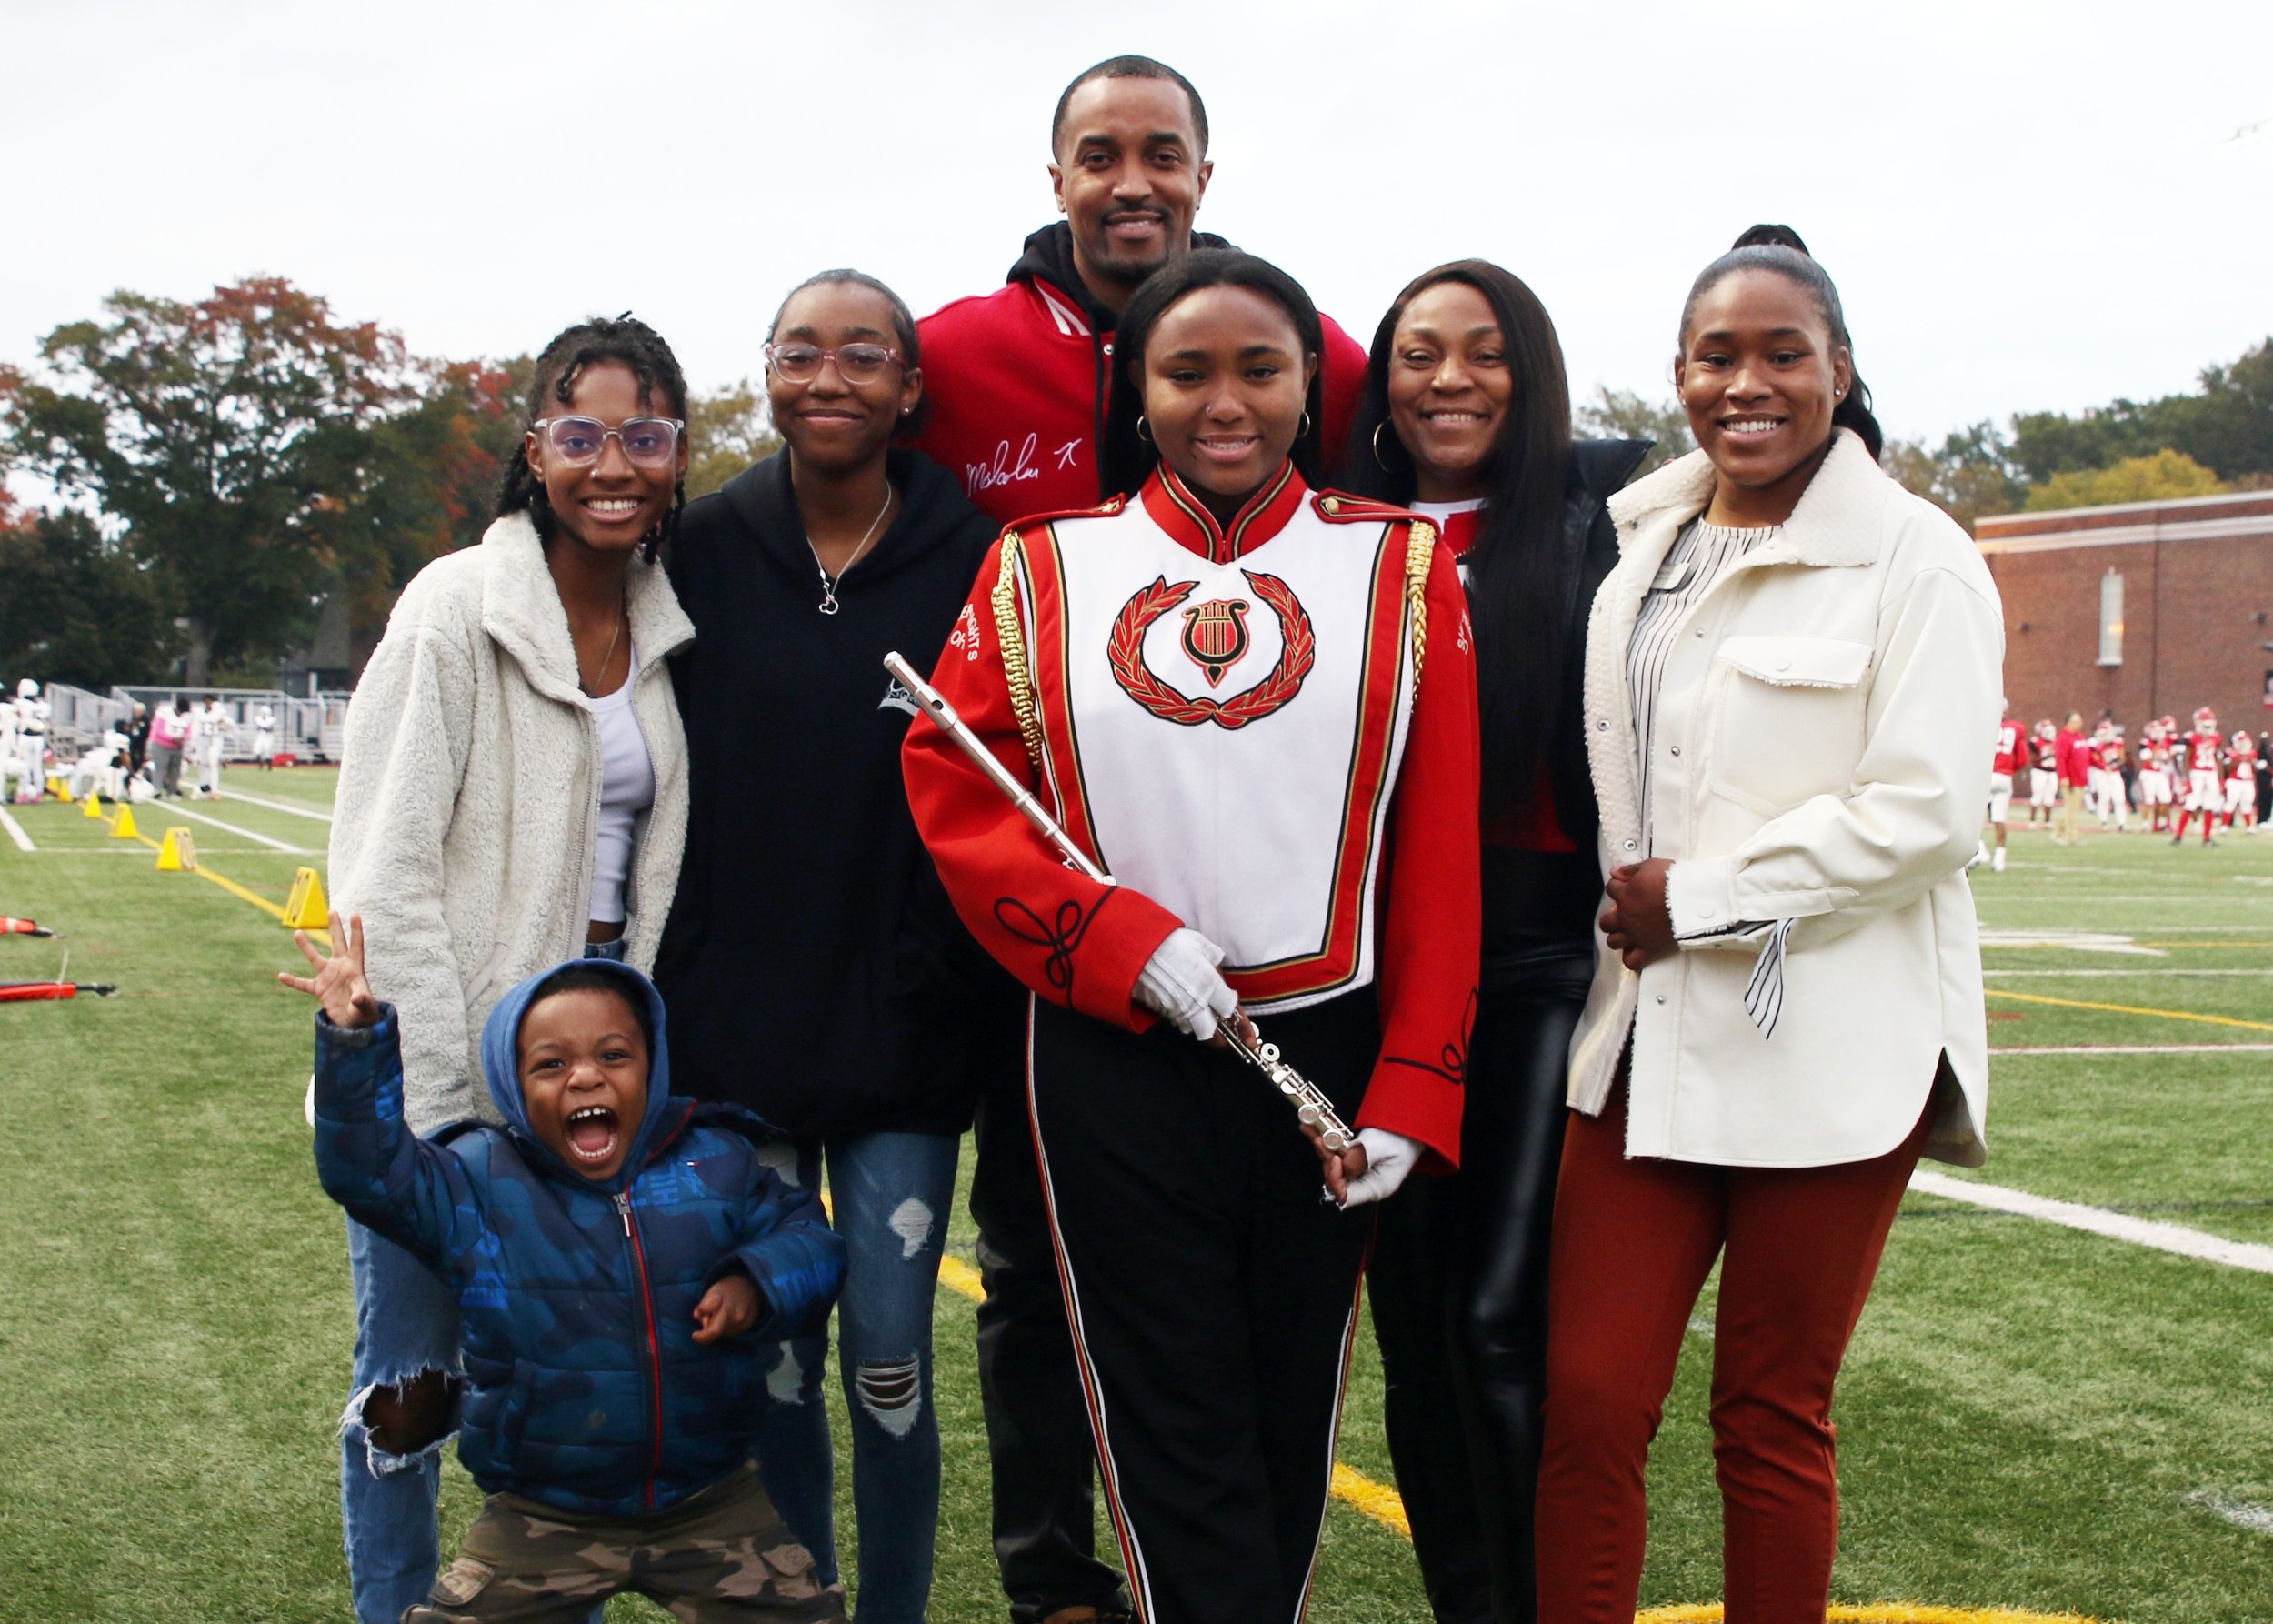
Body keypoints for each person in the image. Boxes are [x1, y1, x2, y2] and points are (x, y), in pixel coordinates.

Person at [905, 249, 1480, 1624]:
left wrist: (1416, 1083)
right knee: (1165, 1403)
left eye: (1261, 369)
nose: (1226, 402)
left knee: (1291, 1405)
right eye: (1188, 370)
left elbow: (1439, 852)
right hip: (1113, 1052)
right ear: (1137, 387)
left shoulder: (1404, 565)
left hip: (1329, 1046)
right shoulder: (1037, 563)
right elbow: (953, 785)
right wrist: (1110, 941)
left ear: (1310, 386)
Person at [1535, 238, 1999, 1623]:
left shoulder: (1918, 554)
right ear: (1678, 374)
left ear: (1839, 372)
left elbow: (1926, 809)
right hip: (1644, 1038)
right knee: (1588, 1402)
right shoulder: (1642, 541)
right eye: (1714, 356)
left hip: (1833, 1053)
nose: (1747, 383)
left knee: (1770, 1412)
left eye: (1782, 352)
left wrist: (1708, 893)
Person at [325, 315, 696, 1624]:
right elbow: (384, 869)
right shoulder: (454, 607)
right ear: (535, 450)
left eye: (644, 435)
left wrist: (605, 1082)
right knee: (415, 1383)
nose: (615, 462)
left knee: (565, 1395)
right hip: (456, 1077)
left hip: (590, 1079)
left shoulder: (661, 624)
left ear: (675, 454)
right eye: (582, 433)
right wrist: (444, 1107)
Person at [653, 269, 1006, 1624]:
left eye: (865, 355)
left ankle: (895, 1609)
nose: (831, 377)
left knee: (891, 1354)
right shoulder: (705, 545)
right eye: (801, 352)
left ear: (910, 389)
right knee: (781, 1357)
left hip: (907, 1022)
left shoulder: (975, 551)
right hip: (738, 1020)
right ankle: (802, 1602)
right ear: (767, 374)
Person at [1337, 258, 1646, 1624]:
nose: (1447, 379)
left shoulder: (1605, 519)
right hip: (1377, 973)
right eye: (1416, 353)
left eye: (1482, 352)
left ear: (1531, 373)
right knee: (1411, 1336)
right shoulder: (1337, 530)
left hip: (1532, 970)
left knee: (1495, 1316)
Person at [286, 916, 847, 1623]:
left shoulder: (717, 1161)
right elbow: (367, 1171)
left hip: (710, 1502)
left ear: (654, 1065)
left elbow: (813, 1242)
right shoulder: (478, 1181)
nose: (586, 1075)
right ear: (514, 1087)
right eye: (550, 1065)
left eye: (615, 1055)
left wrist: (756, 1282)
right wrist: (356, 1040)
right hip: (542, 1516)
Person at [2173, 706, 2224, 846]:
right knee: (2191, 804)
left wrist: (2221, 778)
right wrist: (2188, 779)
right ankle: (2178, 836)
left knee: (2210, 805)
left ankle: (2206, 837)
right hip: (2197, 773)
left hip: (2211, 773)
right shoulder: (2192, 738)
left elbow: (2217, 757)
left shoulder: (2216, 737)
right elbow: (2187, 759)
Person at [1985, 699, 2022, 872]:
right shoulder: (2016, 728)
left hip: (1987, 776)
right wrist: (2009, 769)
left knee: (1973, 819)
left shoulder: (1983, 727)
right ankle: (1999, 859)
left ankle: (1979, 851)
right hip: (2005, 778)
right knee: (1999, 819)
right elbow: (2022, 758)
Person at [2053, 711, 2088, 845]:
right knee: (2070, 809)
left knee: (2073, 808)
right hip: (2070, 779)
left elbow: (2087, 756)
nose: (2080, 724)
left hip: (2080, 778)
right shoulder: (2064, 738)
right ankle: (2071, 836)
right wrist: (2063, 776)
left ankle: (2058, 832)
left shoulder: (2080, 737)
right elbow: (2060, 759)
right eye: (2077, 721)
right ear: (2069, 723)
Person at [192, 696, 232, 798]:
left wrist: (223, 724)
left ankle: (214, 790)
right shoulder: (200, 713)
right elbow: (196, 727)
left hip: (215, 739)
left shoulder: (220, 713)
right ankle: (204, 786)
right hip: (203, 739)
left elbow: (229, 726)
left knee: (213, 763)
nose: (208, 704)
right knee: (204, 764)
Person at [149, 697, 188, 798]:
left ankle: (172, 791)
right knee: (160, 767)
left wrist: (183, 738)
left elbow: (189, 731)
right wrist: (172, 738)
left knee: (175, 770)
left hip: (177, 747)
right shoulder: (165, 714)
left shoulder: (187, 718)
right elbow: (158, 731)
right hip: (161, 745)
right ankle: (156, 790)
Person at [2225, 727, 2258, 833]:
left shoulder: (2252, 753)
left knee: (2247, 804)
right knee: (2231, 802)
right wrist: (2240, 757)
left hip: (2248, 782)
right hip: (2235, 781)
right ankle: (2224, 826)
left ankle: (2249, 827)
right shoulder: (2232, 752)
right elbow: (2228, 767)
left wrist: (2252, 761)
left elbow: (2255, 768)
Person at [253, 704, 278, 768]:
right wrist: (263, 727)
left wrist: (264, 727)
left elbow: (267, 727)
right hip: (260, 736)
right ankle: (261, 763)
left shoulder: (272, 719)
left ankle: (269, 766)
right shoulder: (258, 718)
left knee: (267, 751)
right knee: (256, 750)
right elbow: (261, 726)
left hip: (268, 737)